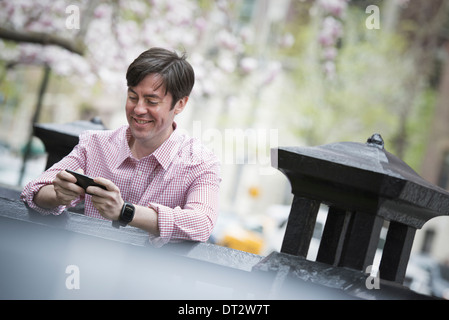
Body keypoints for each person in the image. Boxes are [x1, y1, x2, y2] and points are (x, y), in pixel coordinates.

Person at [21, 47, 221, 247]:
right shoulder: (94, 144)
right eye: (133, 97)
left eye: (151, 101)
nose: (138, 109)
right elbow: (33, 191)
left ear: (180, 104)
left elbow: (202, 224)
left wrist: (125, 211)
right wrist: (58, 194)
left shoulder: (200, 162)